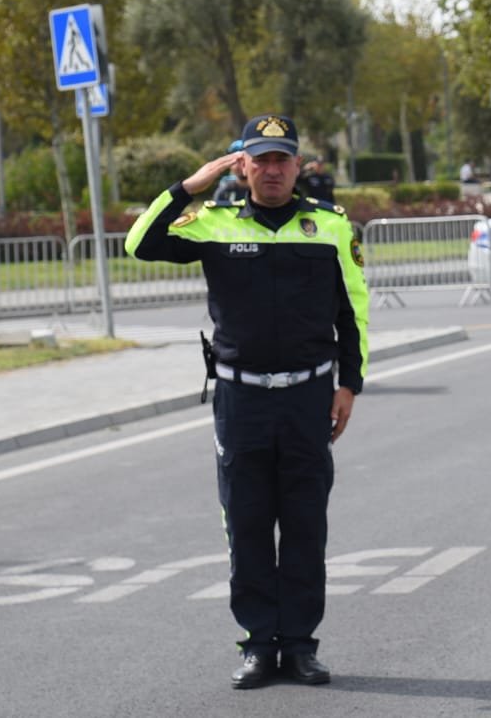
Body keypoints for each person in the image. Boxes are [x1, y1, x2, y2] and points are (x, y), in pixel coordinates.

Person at [125, 113, 369, 691]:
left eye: (283, 158)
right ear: (244, 165)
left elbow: (351, 309)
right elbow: (140, 244)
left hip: (310, 396)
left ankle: (302, 646)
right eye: (260, 159)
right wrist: (191, 184)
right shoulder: (211, 223)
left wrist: (349, 383)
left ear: (298, 164)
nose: (273, 170)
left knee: (306, 526)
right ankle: (260, 645)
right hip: (241, 401)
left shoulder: (330, 226)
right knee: (249, 524)